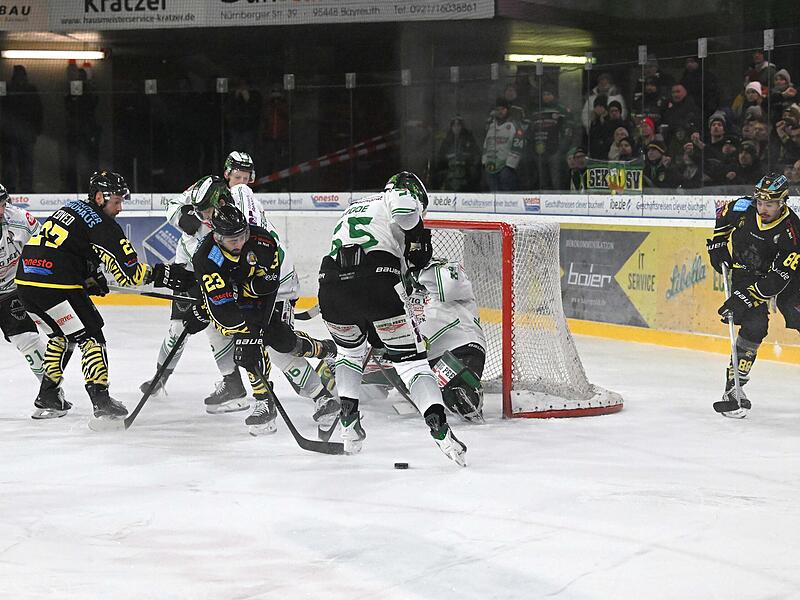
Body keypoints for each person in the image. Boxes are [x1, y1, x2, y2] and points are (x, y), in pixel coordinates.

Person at [15, 171, 193, 422]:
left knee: (61, 336)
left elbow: (67, 249)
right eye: (116, 202)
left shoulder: (72, 207)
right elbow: (129, 274)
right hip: (55, 286)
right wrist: (166, 274)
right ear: (99, 197)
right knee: (92, 336)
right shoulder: (102, 224)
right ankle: (100, 400)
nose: (120, 208)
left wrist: (88, 275)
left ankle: (48, 397)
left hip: (26, 284)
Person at [318, 171, 467, 465]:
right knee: (412, 363)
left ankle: (349, 425)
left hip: (330, 286)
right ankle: (441, 432)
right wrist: (414, 236)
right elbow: (404, 209)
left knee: (349, 354)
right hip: (377, 283)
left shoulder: (354, 208)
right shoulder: (398, 195)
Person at [193, 204, 334, 435]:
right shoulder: (206, 256)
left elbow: (267, 287)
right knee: (248, 351)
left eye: (242, 236)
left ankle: (322, 353)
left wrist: (255, 328)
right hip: (235, 304)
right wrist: (246, 333)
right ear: (217, 237)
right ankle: (265, 401)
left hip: (275, 295)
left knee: (282, 346)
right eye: (232, 240)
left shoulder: (262, 241)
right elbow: (224, 310)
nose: (239, 244)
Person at [707, 174, 800, 417]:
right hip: (746, 272)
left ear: (783, 202)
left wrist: (743, 299)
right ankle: (733, 389)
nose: (762, 209)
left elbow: (779, 278)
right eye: (760, 202)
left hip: (785, 278)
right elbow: (722, 217)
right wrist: (717, 245)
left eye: (769, 204)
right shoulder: (742, 207)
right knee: (755, 326)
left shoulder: (792, 230)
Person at [362, 257, 487, 423]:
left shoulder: (444, 269)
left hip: (459, 349)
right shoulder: (397, 292)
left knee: (461, 396)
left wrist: (415, 272)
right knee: (360, 375)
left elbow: (449, 285)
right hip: (419, 359)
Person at [0, 184, 53, 394]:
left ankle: (51, 392)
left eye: (3, 204)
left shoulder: (20, 220)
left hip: (13, 287)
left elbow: (45, 248)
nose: (2, 212)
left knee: (28, 340)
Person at [0, 66, 43, 192]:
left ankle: (24, 189)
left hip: (22, 135)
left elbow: (38, 111)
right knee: (11, 166)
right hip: (11, 136)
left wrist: (36, 130)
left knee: (24, 165)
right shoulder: (7, 90)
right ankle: (12, 190)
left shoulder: (29, 90)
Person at [482, 97, 524, 191]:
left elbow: (518, 145)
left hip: (506, 167)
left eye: (503, 109)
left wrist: (509, 165)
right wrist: (484, 161)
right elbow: (486, 144)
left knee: (506, 194)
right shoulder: (491, 126)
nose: (500, 111)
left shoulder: (514, 125)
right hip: (490, 166)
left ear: (507, 110)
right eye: (498, 109)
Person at [434, 115, 480, 192]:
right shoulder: (447, 141)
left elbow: (475, 154)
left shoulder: (468, 139)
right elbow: (441, 157)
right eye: (454, 125)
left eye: (458, 125)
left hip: (465, 172)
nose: (456, 128)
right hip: (450, 171)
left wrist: (466, 158)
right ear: (451, 127)